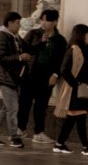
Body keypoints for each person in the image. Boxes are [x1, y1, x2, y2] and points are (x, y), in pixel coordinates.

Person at [18, 7, 65, 144]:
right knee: (24, 103)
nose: (43, 23)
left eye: (47, 21)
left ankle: (39, 133)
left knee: (41, 106)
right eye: (42, 20)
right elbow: (24, 50)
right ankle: (20, 129)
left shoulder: (60, 40)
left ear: (55, 22)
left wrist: (56, 75)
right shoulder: (33, 34)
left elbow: (62, 61)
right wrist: (40, 43)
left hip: (46, 76)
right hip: (30, 73)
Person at [0, 11, 28, 149]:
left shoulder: (14, 37)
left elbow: (26, 48)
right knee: (13, 109)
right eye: (17, 23)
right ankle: (14, 137)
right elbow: (0, 58)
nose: (19, 26)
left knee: (7, 108)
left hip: (14, 77)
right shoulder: (2, 37)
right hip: (6, 77)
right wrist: (19, 57)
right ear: (9, 23)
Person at [51, 24, 88, 156]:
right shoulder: (73, 50)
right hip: (75, 91)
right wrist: (75, 84)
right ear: (81, 36)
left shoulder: (87, 51)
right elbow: (64, 70)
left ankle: (59, 143)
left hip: (84, 90)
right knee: (80, 118)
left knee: (71, 119)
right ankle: (86, 147)